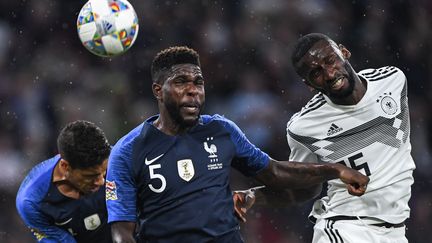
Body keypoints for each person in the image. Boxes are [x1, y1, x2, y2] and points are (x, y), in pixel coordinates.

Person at [106, 46, 369, 243]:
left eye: (198, 82)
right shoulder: (127, 151)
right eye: (180, 82)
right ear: (157, 91)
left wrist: (334, 170)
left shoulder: (221, 131)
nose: (193, 90)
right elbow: (121, 233)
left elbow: (275, 172)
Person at [283, 33, 415, 243]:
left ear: (344, 53)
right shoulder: (304, 127)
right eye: (316, 73)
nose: (329, 74)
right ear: (308, 84)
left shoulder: (393, 81)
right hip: (347, 228)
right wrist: (257, 195)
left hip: (396, 232)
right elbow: (302, 185)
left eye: (330, 60)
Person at [16, 120, 112, 243]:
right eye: (91, 176)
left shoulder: (118, 160)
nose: (101, 182)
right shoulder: (32, 202)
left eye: (104, 173)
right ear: (65, 166)